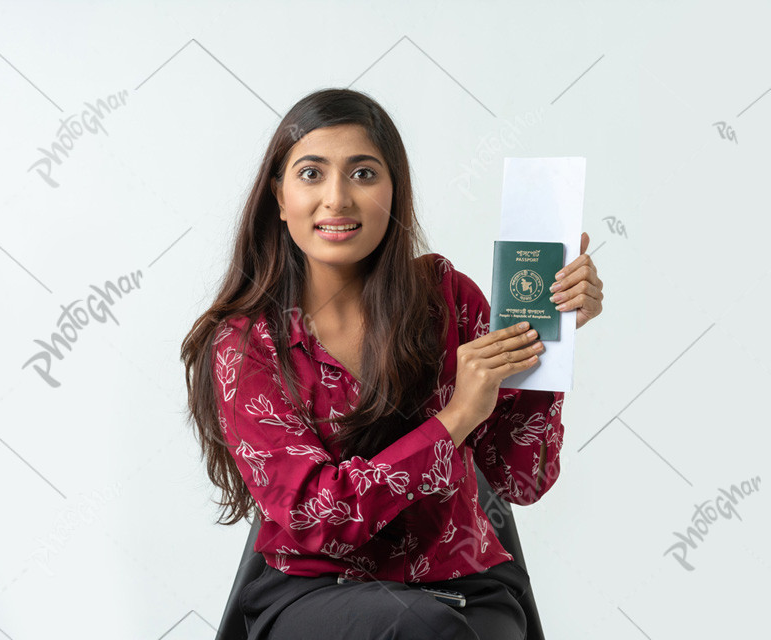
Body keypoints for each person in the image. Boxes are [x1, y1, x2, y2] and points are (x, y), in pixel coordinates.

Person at [180, 88, 603, 639]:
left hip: (466, 585)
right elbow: (320, 518)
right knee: (421, 630)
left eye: (363, 174)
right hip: (316, 594)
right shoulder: (249, 345)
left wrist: (551, 340)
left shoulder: (447, 299)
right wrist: (452, 421)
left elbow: (522, 479)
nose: (337, 198)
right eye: (311, 174)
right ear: (279, 199)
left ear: (394, 192)